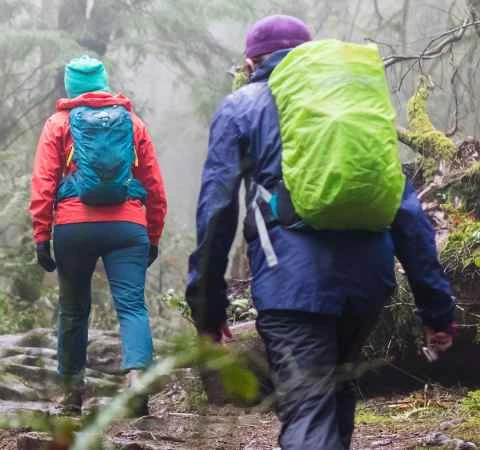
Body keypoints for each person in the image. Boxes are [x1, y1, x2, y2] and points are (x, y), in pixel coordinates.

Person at [186, 15, 456, 450]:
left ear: (251, 61)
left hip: (291, 285)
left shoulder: (242, 106)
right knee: (338, 391)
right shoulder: (352, 105)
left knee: (308, 408)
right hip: (368, 281)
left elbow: (217, 209)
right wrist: (436, 310)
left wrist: (207, 306)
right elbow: (406, 212)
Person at [29, 56, 168, 416]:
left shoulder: (59, 124)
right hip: (127, 226)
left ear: (70, 86)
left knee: (73, 311)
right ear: (104, 83)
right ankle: (136, 376)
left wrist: (42, 235)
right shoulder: (133, 124)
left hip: (74, 228)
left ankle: (72, 394)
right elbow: (153, 184)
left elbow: (44, 181)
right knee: (132, 306)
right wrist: (152, 234)